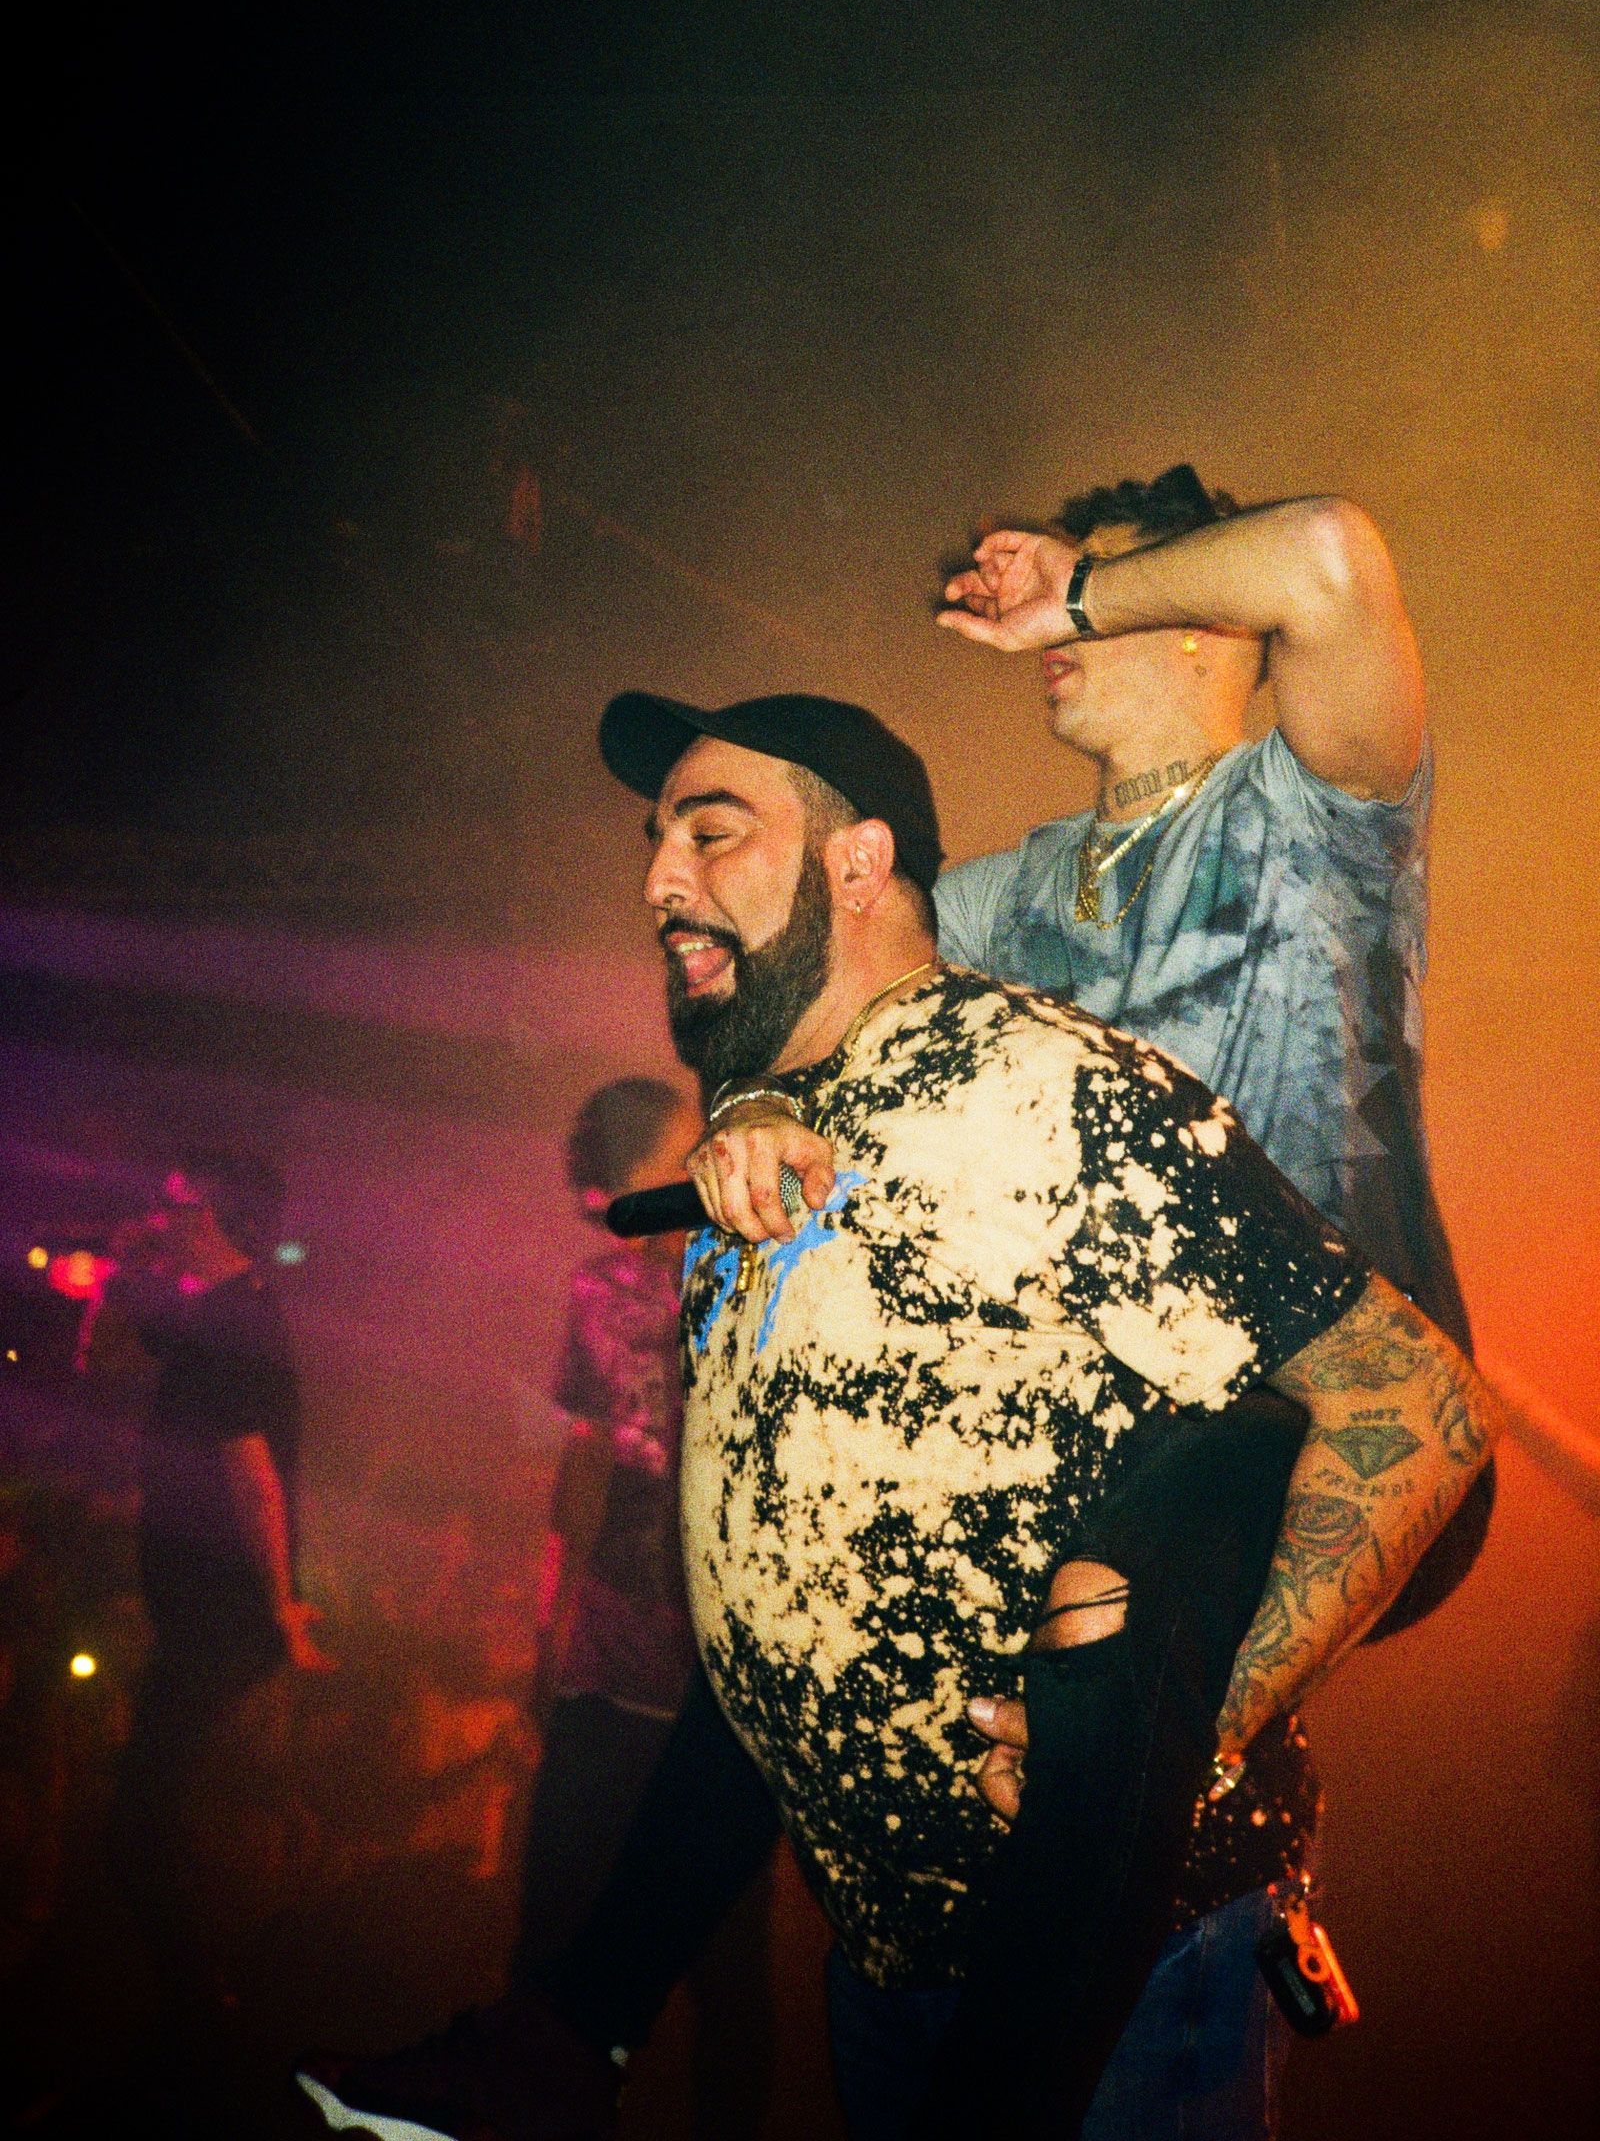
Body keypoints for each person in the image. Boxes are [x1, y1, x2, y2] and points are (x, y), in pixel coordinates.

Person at [299, 691, 1497, 2141]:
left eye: (710, 834)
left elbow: (1415, 1402)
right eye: (654, 842)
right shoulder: (760, 1158)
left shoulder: (1041, 1088)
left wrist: (1182, 1726)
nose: (658, 881)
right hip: (885, 1970)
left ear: (858, 862)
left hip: (1137, 1965)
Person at [690, 471, 1493, 2127]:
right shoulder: (1000, 901)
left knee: (1129, 1648)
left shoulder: (1313, 821)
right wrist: (753, 1101)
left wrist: (1072, 588)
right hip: (1119, 1454)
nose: (1060, 625)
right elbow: (810, 990)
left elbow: (1331, 557)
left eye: (1118, 592)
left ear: (1207, 625)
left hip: (1330, 1421)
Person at [514, 1076, 774, 2134]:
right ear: (636, 1174)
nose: (707, 1152)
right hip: (619, 1644)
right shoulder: (602, 1289)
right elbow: (582, 1467)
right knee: (563, 1924)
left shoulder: (754, 1264)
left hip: (721, 1659)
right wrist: (550, 1623)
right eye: (683, 1145)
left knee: (724, 1953)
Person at [86, 1151, 329, 2044]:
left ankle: (202, 2005)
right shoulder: (217, 1312)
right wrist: (123, 1265)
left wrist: (282, 1607)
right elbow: (119, 1341)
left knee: (142, 1815)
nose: (166, 1216)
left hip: (222, 1612)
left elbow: (253, 1478)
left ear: (219, 1220)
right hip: (203, 1606)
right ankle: (203, 1992)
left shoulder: (237, 1325)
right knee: (165, 1800)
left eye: (182, 1206)